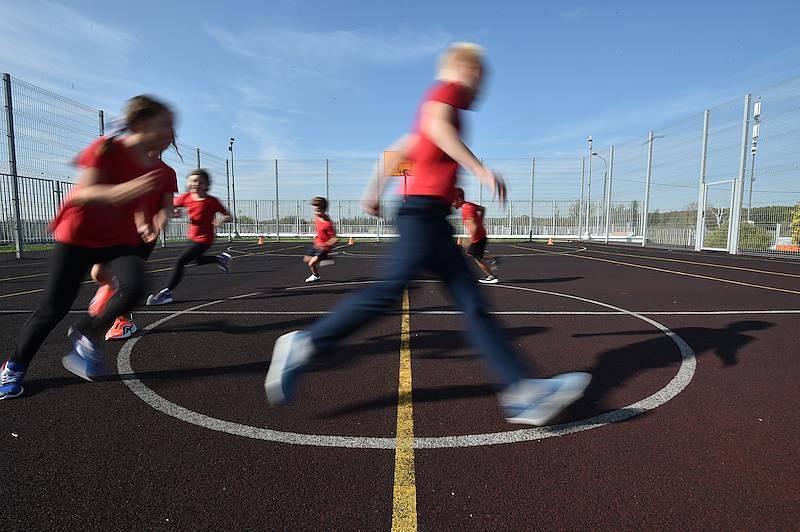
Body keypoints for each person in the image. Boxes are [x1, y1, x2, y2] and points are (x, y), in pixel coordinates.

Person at [265, 43, 591, 426]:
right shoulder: (446, 92)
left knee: (472, 302)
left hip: (432, 220)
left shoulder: (435, 106)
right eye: (482, 76)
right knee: (392, 290)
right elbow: (435, 130)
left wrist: (373, 191)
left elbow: (398, 149)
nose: (483, 86)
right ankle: (305, 344)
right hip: (420, 216)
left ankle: (521, 390)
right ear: (468, 71)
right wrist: (480, 169)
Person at [0, 95, 175, 399]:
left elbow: (138, 201)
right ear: (142, 124)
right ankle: (13, 367)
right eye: (166, 125)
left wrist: (145, 221)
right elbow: (83, 194)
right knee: (52, 309)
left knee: (135, 286)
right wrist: (123, 191)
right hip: (78, 236)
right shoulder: (106, 149)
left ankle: (86, 331)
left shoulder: (159, 171)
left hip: (119, 239)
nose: (172, 133)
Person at [89, 147, 178, 340]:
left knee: (128, 282)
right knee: (97, 273)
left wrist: (159, 220)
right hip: (116, 230)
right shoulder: (126, 166)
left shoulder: (167, 173)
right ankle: (111, 288)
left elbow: (168, 206)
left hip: (143, 236)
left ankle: (124, 322)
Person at [146, 169, 232, 306]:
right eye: (192, 181)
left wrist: (221, 220)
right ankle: (220, 259)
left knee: (179, 262)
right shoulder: (186, 197)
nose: (195, 184)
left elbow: (229, 216)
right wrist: (174, 213)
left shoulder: (212, 201)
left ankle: (165, 293)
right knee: (196, 261)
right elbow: (169, 207)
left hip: (205, 239)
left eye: (199, 181)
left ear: (206, 185)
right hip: (192, 237)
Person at [452, 187, 500, 284]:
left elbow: (474, 226)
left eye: (453, 201)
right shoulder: (469, 205)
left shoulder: (466, 209)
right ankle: (492, 259)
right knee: (474, 254)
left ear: (458, 199)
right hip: (481, 235)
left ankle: (491, 276)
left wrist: (469, 240)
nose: (452, 204)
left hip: (477, 237)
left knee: (477, 258)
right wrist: (480, 222)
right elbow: (482, 209)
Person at [303, 196, 338, 282]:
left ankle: (316, 275)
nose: (316, 212)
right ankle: (324, 259)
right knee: (306, 259)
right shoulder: (317, 218)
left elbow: (335, 238)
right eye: (314, 210)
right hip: (316, 244)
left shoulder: (327, 223)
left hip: (323, 248)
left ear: (324, 210)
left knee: (312, 263)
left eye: (318, 210)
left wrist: (326, 245)